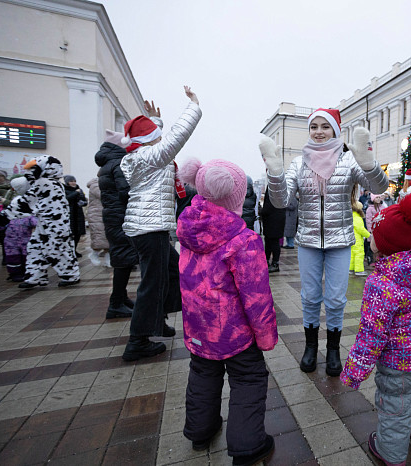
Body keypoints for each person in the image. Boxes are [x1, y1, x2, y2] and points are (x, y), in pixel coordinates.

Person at [259, 108, 389, 376]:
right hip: (308, 241)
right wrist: (275, 172)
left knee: (336, 299)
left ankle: (332, 350)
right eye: (314, 127)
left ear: (335, 130)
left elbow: (379, 188)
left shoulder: (348, 161)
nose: (318, 132)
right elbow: (281, 201)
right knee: (309, 297)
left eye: (325, 127)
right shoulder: (299, 163)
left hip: (340, 240)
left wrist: (367, 162)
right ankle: (309, 348)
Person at [177, 158, 277, 463]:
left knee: (202, 375)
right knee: (248, 380)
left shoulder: (188, 228)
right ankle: (248, 446)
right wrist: (266, 337)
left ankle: (200, 431)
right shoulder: (242, 240)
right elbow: (256, 296)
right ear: (235, 195)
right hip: (236, 334)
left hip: (199, 329)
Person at [341, 193, 411, 465]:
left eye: (375, 236)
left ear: (382, 246)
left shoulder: (382, 283)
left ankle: (391, 453)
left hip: (397, 361)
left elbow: (371, 334)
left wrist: (354, 371)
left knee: (394, 405)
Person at [120, 86, 202, 361]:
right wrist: (193, 106)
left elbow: (154, 139)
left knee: (170, 273)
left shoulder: (141, 155)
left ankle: (156, 321)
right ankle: (137, 341)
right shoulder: (148, 157)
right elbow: (173, 140)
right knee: (152, 284)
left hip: (150, 228)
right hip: (149, 229)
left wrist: (155, 122)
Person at [0, 156, 81, 288]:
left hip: (54, 226)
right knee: (35, 248)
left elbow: (25, 202)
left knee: (57, 250)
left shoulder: (44, 182)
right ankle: (35, 277)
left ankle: (70, 275)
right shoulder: (54, 183)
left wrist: (1, 216)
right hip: (46, 224)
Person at [96, 129, 138, 320]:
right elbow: (126, 192)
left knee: (123, 258)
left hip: (113, 216)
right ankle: (115, 304)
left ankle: (121, 297)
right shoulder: (119, 163)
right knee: (123, 259)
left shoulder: (108, 163)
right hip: (120, 216)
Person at [259, 186, 285, 273]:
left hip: (273, 219)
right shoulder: (279, 186)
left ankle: (274, 263)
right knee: (270, 241)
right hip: (275, 218)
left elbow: (268, 205)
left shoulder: (273, 187)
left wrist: (262, 212)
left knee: (273, 242)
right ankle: (268, 261)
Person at [86, 177, 110, 267]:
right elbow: (103, 195)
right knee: (99, 237)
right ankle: (94, 253)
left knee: (107, 238)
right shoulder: (95, 185)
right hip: (96, 215)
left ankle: (108, 260)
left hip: (105, 213)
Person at [63, 175, 87, 258]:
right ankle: (69, 251)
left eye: (74, 181)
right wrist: (76, 193)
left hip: (78, 214)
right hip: (69, 214)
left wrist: (83, 202)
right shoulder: (64, 190)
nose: (73, 183)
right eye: (71, 181)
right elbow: (66, 199)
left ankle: (74, 250)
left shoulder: (79, 189)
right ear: (67, 182)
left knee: (78, 233)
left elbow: (84, 200)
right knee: (70, 234)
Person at [349, 198, 370, 277]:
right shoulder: (358, 218)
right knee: (359, 254)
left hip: (351, 238)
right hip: (357, 239)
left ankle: (350, 269)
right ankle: (359, 270)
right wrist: (368, 235)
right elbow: (361, 229)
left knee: (352, 254)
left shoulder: (351, 216)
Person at [365, 193, 385, 265]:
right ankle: (371, 260)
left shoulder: (382, 207)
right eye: (377, 197)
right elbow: (368, 220)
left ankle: (379, 259)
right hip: (373, 230)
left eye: (379, 197)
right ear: (373, 199)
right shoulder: (370, 209)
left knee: (379, 245)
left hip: (381, 229)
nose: (379, 199)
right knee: (372, 245)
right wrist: (370, 230)